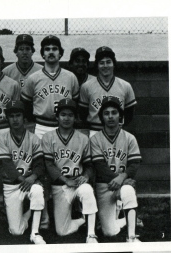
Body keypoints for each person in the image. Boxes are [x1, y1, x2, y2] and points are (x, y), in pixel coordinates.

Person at [42, 98, 98, 243]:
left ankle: (91, 235)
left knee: (87, 190)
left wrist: (85, 176)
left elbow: (89, 165)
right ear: (57, 117)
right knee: (62, 232)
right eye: (63, 114)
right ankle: (82, 220)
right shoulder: (48, 137)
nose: (67, 118)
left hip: (77, 182)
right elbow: (49, 164)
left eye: (70, 115)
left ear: (75, 118)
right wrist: (65, 180)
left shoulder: (83, 138)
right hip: (60, 185)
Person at [90, 96, 142, 242]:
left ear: (120, 115)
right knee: (109, 232)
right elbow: (99, 166)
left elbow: (134, 163)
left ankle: (132, 236)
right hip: (104, 186)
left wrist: (122, 178)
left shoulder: (129, 137)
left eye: (114, 112)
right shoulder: (95, 139)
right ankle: (127, 219)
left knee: (129, 191)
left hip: (121, 183)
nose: (111, 116)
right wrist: (121, 179)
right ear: (101, 117)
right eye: (106, 113)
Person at [0, 100, 46, 244]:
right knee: (16, 231)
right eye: (11, 116)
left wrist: (34, 177)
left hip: (29, 182)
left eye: (18, 115)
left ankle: (35, 233)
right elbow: (7, 165)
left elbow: (39, 164)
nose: (15, 119)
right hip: (12, 185)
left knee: (37, 189)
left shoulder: (33, 138)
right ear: (7, 118)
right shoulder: (2, 139)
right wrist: (25, 180)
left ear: (24, 118)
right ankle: (30, 213)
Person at [21, 35, 80, 138]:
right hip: (41, 126)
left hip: (65, 126)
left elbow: (75, 103)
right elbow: (26, 105)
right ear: (43, 54)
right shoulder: (33, 78)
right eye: (47, 49)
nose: (51, 52)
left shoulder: (71, 77)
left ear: (60, 53)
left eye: (55, 49)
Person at [79, 46, 137, 137]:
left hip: (117, 131)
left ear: (114, 64)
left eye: (108, 62)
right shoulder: (86, 86)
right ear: (97, 66)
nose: (105, 66)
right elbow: (83, 113)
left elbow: (129, 114)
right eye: (101, 63)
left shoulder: (125, 85)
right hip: (95, 131)